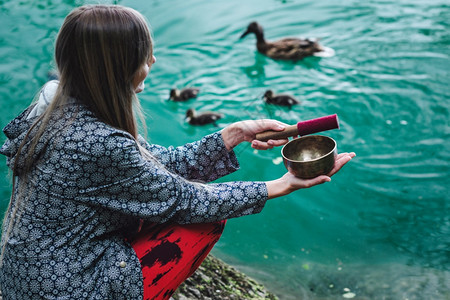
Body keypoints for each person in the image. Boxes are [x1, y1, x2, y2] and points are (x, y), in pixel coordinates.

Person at [0, 4, 355, 300]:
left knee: (158, 205)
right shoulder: (100, 143)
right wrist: (280, 185)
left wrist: (231, 135)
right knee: (202, 222)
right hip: (65, 289)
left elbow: (148, 169)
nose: (152, 60)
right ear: (118, 67)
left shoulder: (55, 102)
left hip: (26, 274)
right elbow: (184, 200)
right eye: (144, 55)